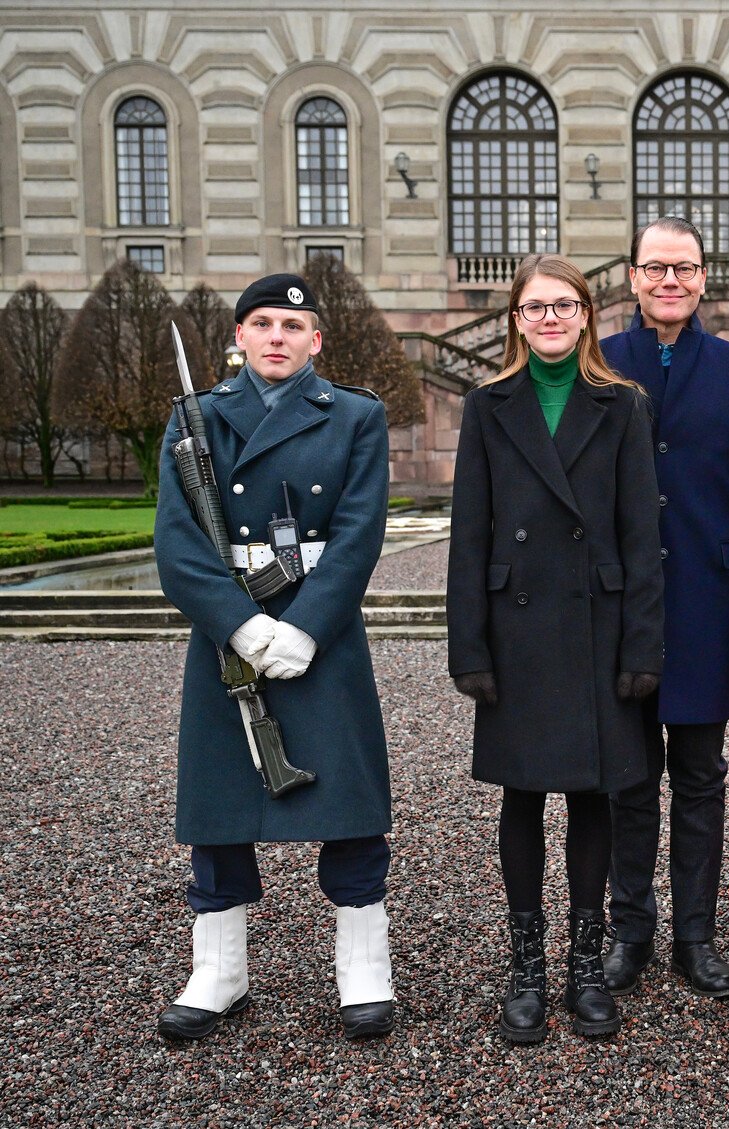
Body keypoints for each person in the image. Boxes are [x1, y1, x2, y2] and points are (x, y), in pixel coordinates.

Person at [154, 272, 396, 1042]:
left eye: (292, 327)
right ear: (241, 337)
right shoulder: (197, 419)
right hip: (230, 638)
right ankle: (218, 971)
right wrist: (239, 625)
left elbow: (359, 532)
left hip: (320, 633)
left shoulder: (356, 415)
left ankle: (364, 965)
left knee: (350, 807)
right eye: (261, 324)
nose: (276, 337)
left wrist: (308, 627)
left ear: (316, 339)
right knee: (219, 810)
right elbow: (178, 543)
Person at [447, 253, 664, 1043]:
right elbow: (467, 535)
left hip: (598, 629)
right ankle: (527, 968)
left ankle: (583, 964)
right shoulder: (487, 404)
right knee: (522, 797)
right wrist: (467, 647)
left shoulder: (622, 404)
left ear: (585, 316)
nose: (549, 319)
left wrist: (643, 644)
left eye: (563, 306)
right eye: (535, 307)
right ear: (516, 319)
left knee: (592, 796)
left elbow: (644, 537)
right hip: (517, 630)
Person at [598, 218, 729, 1000]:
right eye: (656, 267)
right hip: (620, 606)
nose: (671, 280)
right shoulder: (603, 363)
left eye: (685, 268)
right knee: (628, 779)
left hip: (708, 597)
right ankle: (630, 927)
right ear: (632, 277)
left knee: (700, 776)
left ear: (706, 278)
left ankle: (696, 934)